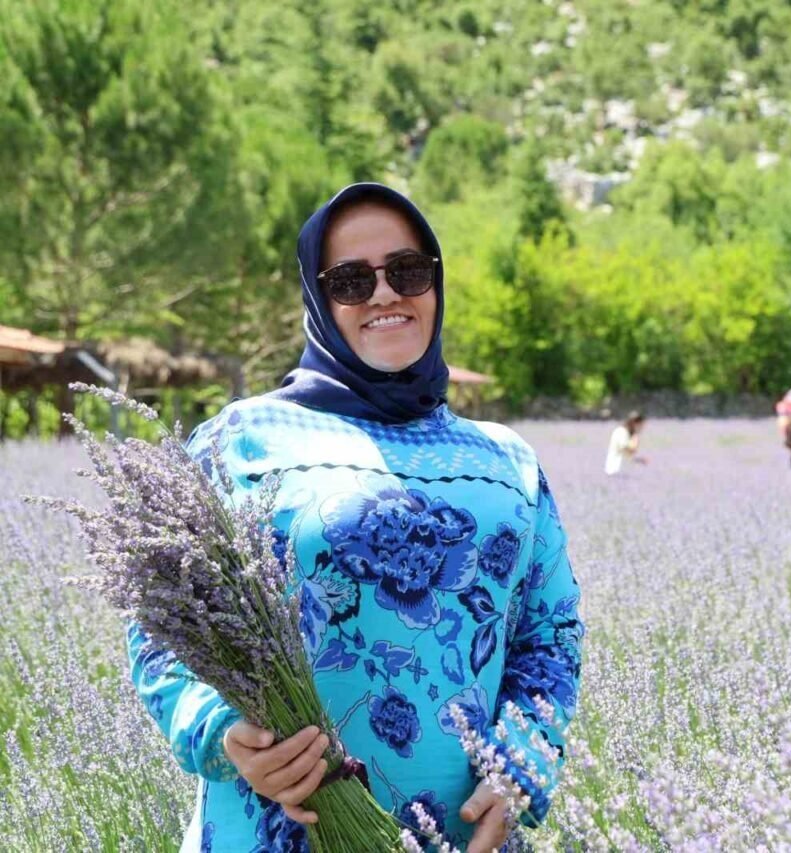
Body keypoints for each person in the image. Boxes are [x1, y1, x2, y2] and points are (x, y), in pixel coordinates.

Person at [127, 183, 582, 852]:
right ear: (318, 299)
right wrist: (221, 732)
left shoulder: (508, 460)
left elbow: (551, 632)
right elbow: (161, 624)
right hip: (277, 831)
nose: (384, 293)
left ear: (435, 282)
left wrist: (523, 763)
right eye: (350, 280)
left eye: (407, 270)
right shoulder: (240, 440)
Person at [604, 411, 647, 475]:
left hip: (622, 471)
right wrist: (635, 440)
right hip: (615, 470)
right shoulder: (621, 432)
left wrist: (639, 460)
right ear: (634, 423)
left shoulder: (630, 434)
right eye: (641, 425)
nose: (642, 428)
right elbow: (625, 450)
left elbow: (628, 455)